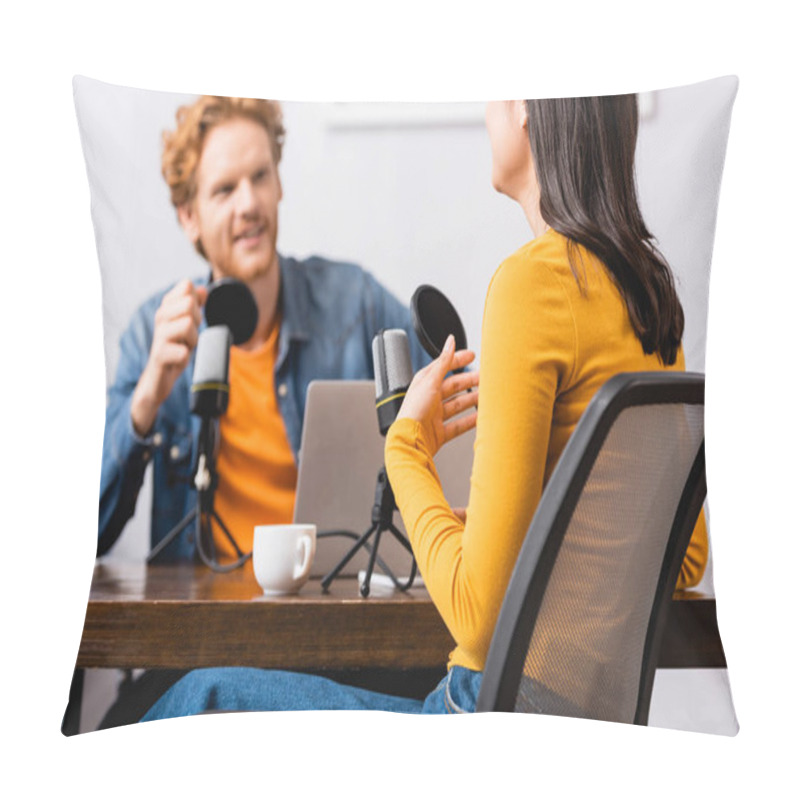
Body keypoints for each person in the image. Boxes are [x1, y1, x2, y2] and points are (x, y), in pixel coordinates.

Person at [140, 94, 708, 721]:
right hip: (575, 727)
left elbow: (477, 616)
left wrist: (406, 445)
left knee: (201, 699)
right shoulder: (651, 297)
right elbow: (682, 557)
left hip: (481, 720)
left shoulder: (531, 285)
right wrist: (528, 538)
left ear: (526, 109)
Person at [98, 95, 427, 562]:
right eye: (224, 190)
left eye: (259, 177)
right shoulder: (153, 336)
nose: (249, 203)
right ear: (188, 216)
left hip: (335, 610)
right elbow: (91, 532)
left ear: (279, 184)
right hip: (202, 626)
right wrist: (146, 401)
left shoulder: (356, 302)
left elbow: (458, 417)